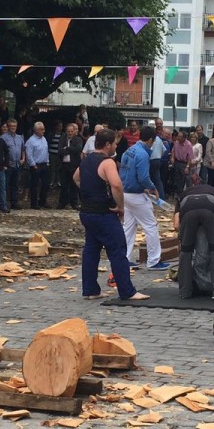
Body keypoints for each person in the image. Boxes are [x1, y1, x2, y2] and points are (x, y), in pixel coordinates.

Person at [76, 128, 146, 301]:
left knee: (91, 250)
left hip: (86, 211)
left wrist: (89, 192)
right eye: (114, 143)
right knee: (118, 248)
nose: (116, 145)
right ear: (107, 144)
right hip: (103, 213)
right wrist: (120, 206)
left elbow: (76, 178)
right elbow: (116, 185)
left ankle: (90, 290)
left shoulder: (86, 160)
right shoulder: (107, 162)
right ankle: (127, 291)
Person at [173, 179, 214, 299]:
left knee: (186, 253)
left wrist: (183, 241)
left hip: (188, 212)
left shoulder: (182, 196)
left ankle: (185, 291)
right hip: (210, 212)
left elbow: (175, 225)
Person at [121, 125, 168, 271]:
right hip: (137, 195)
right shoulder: (143, 154)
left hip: (125, 193)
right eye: (153, 142)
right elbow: (143, 177)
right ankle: (154, 260)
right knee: (151, 226)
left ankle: (124, 258)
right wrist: (153, 188)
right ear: (150, 140)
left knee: (128, 227)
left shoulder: (129, 150)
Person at [25, 122, 51, 208]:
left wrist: (47, 162)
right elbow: (29, 154)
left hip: (44, 164)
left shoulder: (44, 139)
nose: (44, 131)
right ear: (36, 130)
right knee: (34, 185)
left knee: (46, 184)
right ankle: (34, 203)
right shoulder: (31, 141)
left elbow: (46, 151)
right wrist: (33, 164)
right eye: (41, 129)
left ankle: (42, 201)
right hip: (36, 165)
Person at [59, 122, 84, 209]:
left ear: (74, 132)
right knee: (64, 185)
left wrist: (67, 148)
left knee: (73, 185)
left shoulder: (78, 140)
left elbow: (78, 149)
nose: (70, 133)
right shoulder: (63, 139)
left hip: (73, 165)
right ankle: (62, 203)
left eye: (71, 131)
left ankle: (74, 203)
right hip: (64, 165)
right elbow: (60, 150)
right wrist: (68, 150)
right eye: (68, 131)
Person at [169, 130, 194, 201]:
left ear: (184, 138)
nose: (177, 137)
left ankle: (190, 196)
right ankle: (180, 196)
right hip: (177, 163)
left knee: (188, 180)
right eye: (178, 136)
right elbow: (173, 151)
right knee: (178, 180)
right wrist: (172, 158)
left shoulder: (188, 145)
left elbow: (190, 157)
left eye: (179, 136)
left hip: (185, 163)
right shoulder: (176, 143)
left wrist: (187, 167)